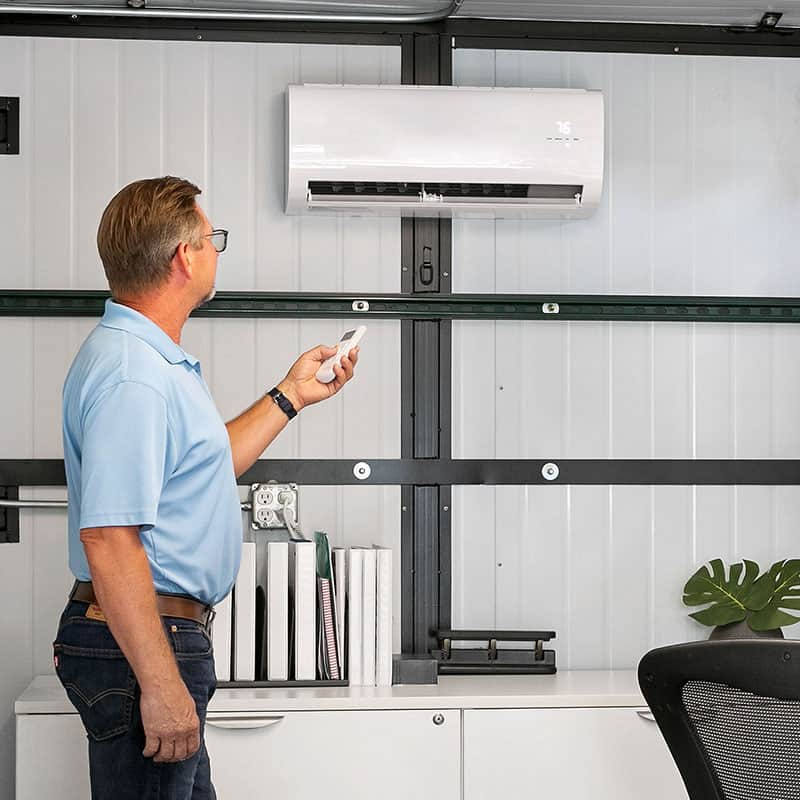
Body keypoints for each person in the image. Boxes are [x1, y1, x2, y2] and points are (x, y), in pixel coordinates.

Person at [53, 176, 359, 799]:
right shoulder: (133, 376)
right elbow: (110, 538)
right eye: (211, 238)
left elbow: (204, 465)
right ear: (182, 257)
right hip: (146, 644)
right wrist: (162, 687)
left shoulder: (147, 362)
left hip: (155, 639)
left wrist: (291, 394)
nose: (217, 250)